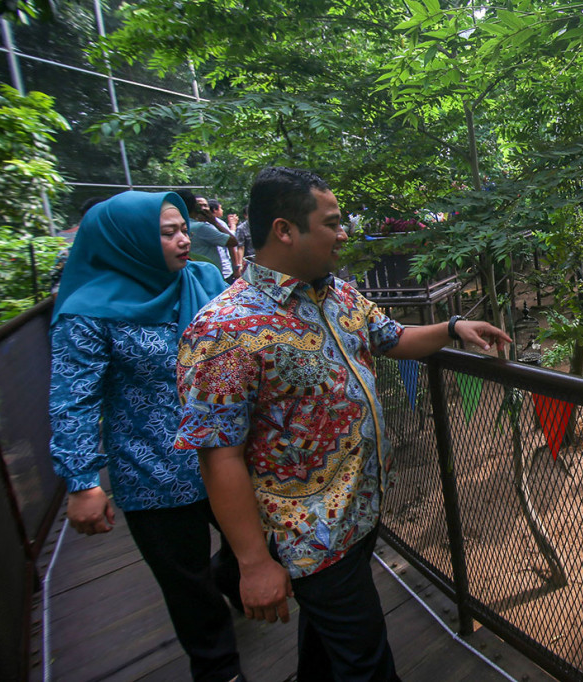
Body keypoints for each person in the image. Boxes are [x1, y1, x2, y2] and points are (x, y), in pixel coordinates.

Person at [175, 167, 510, 681]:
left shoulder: (337, 295)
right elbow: (218, 454)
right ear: (286, 230)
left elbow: (392, 337)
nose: (345, 233)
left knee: (328, 651)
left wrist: (451, 328)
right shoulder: (223, 329)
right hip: (308, 537)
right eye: (332, 222)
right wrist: (253, 563)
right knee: (367, 664)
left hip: (360, 514)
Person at [48, 191, 245, 682]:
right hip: (153, 472)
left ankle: (231, 577)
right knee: (188, 586)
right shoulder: (89, 312)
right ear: (127, 240)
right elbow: (73, 398)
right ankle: (219, 670)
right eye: (168, 232)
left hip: (228, 457)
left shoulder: (201, 279)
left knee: (255, 550)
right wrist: (82, 481)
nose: (183, 240)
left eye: (183, 228)